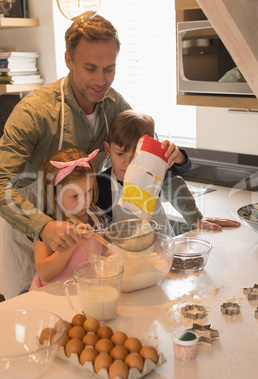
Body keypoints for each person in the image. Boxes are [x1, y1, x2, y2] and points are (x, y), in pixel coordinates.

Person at [0, 14, 191, 298]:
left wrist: (194, 216)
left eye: (109, 69)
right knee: (30, 319)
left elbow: (143, 169)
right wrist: (43, 226)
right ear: (68, 59)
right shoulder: (34, 113)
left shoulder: (114, 105)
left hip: (82, 230)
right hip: (29, 225)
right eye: (91, 68)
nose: (102, 81)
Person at [97, 110, 241, 233]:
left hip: (162, 245)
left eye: (135, 156)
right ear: (108, 148)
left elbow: (179, 173)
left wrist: (195, 218)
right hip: (124, 254)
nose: (127, 163)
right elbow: (97, 223)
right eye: (120, 154)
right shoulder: (100, 183)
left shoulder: (152, 172)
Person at [30, 147, 109, 291]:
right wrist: (70, 244)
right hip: (53, 294)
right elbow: (44, 274)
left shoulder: (97, 217)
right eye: (74, 196)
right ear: (54, 194)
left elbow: (104, 252)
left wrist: (121, 255)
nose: (84, 202)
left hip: (87, 291)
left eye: (89, 191)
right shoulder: (46, 225)